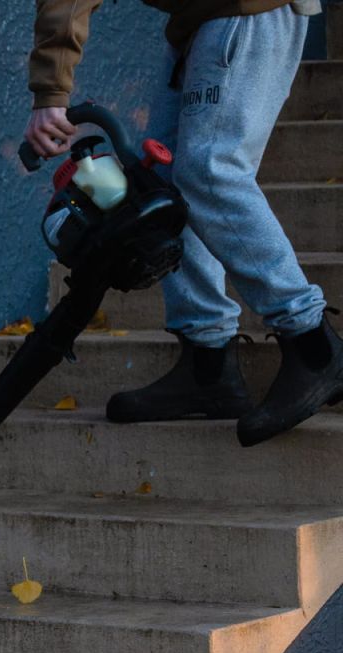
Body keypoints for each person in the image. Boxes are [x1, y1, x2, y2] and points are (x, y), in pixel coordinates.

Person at [23, 0, 343, 446]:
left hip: (243, 10)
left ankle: (313, 346)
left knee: (209, 172)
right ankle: (208, 366)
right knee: (164, 183)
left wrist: (51, 91)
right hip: (200, 22)